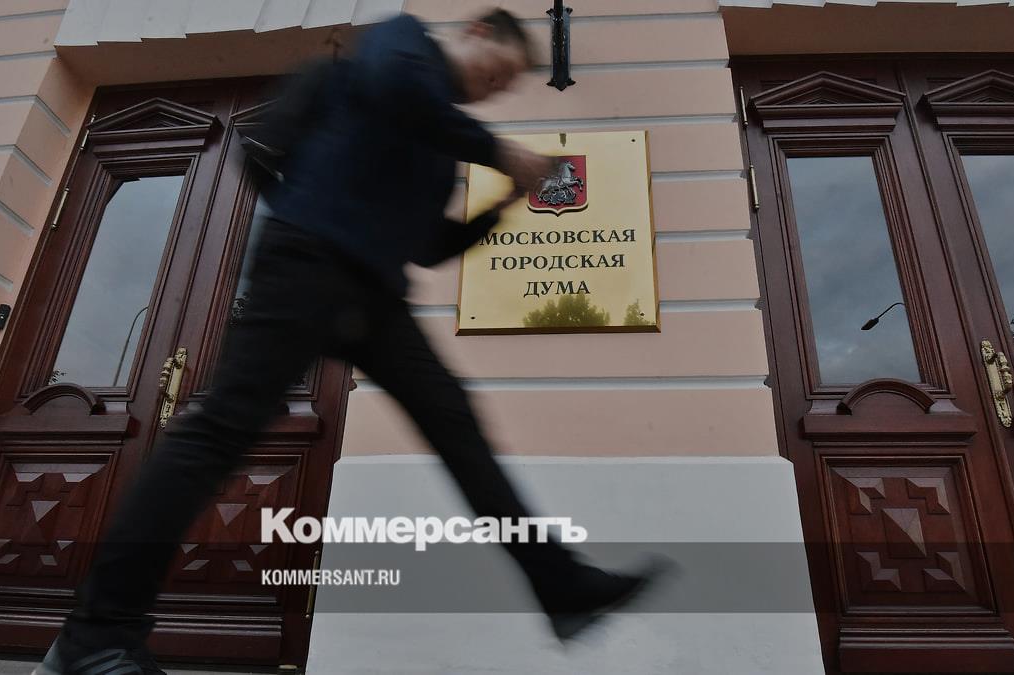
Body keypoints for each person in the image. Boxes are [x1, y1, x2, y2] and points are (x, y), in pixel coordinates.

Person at [36, 9, 670, 675]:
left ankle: (561, 587)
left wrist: (503, 202)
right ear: (477, 34)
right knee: (219, 431)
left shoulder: (440, 135)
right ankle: (96, 635)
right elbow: (396, 90)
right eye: (498, 74)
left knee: (455, 423)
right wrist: (499, 150)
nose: (494, 90)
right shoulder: (404, 44)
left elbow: (429, 246)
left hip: (373, 294)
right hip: (306, 261)